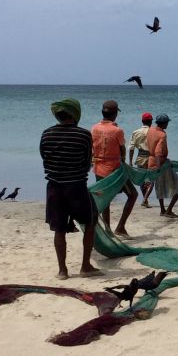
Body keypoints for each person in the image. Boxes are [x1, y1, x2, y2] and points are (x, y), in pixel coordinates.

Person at [39, 98, 101, 280]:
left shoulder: (46, 134)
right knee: (90, 222)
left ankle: (62, 271)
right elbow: (87, 162)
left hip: (54, 187)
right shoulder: (83, 135)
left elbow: (44, 157)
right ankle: (85, 266)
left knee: (59, 229)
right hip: (76, 187)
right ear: (75, 114)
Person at [91, 100, 136, 236]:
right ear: (115, 114)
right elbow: (122, 150)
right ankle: (120, 227)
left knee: (105, 199)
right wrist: (124, 163)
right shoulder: (117, 131)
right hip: (114, 170)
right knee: (133, 195)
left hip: (98, 168)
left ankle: (108, 230)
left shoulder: (94, 128)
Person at [146, 114, 178, 216]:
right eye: (167, 123)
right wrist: (159, 167)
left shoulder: (150, 130)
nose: (167, 124)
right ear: (164, 123)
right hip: (160, 163)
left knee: (159, 186)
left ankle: (162, 210)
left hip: (151, 162)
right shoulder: (162, 135)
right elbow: (158, 152)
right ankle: (169, 210)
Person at [128, 112, 155, 208]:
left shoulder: (136, 132)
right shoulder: (154, 132)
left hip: (140, 157)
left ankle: (145, 199)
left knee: (142, 180)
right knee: (151, 179)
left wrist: (130, 161)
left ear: (142, 121)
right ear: (151, 121)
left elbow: (131, 148)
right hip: (151, 157)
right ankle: (145, 199)